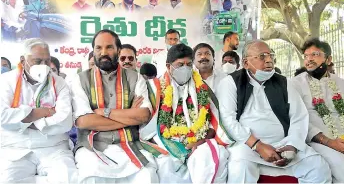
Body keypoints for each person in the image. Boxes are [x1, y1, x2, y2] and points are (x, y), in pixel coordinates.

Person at [216, 40, 331, 183]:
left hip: (284, 144)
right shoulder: (230, 83)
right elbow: (228, 120)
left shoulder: (284, 83)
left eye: (271, 55)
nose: (269, 60)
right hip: (247, 146)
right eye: (262, 56)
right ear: (246, 63)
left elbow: (299, 117)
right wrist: (257, 145)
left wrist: (292, 145)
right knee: (240, 168)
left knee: (318, 167)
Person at [70, 29, 158, 183]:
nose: (103, 52)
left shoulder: (135, 78)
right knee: (92, 177)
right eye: (98, 48)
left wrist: (104, 112)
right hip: (93, 147)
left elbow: (143, 115)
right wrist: (130, 116)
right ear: (93, 50)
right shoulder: (80, 80)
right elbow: (83, 122)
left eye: (109, 47)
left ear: (118, 50)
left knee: (147, 176)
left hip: (131, 144)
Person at [146, 43, 232, 183]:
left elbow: (213, 124)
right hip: (167, 144)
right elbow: (149, 130)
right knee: (165, 165)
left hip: (199, 143)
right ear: (168, 66)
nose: (185, 69)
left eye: (189, 64)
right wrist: (176, 145)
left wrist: (198, 142)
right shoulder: (156, 90)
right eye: (180, 65)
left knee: (214, 157)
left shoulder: (203, 88)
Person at [0, 38, 77, 183]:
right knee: (7, 180)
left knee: (67, 177)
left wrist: (25, 120)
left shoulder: (59, 83)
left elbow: (65, 121)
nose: (44, 65)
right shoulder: (5, 81)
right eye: (37, 61)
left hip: (54, 148)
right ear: (23, 61)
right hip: (15, 148)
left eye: (47, 61)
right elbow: (3, 117)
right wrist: (42, 112)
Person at [291, 38, 344, 182]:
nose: (309, 59)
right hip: (318, 141)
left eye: (315, 54)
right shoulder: (295, 84)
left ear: (328, 59)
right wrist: (329, 142)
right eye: (306, 56)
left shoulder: (340, 83)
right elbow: (297, 120)